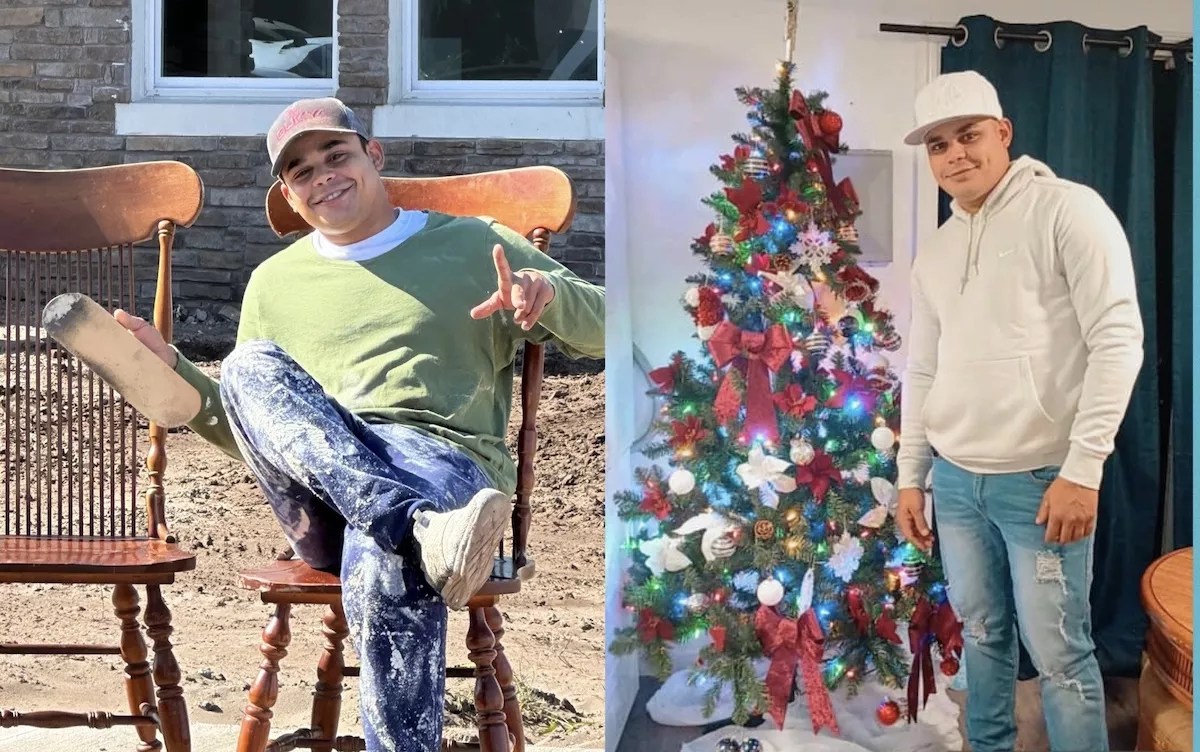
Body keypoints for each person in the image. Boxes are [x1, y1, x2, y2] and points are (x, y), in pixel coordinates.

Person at [115, 97, 605, 752]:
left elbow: (605, 327)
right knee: (248, 366)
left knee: (378, 549)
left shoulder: (469, 244)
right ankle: (415, 529)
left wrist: (550, 293)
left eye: (336, 155)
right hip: (332, 501)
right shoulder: (272, 283)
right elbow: (264, 437)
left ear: (373, 156)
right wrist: (175, 372)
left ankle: (407, 531)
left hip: (444, 467)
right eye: (301, 171)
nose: (323, 177)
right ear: (288, 194)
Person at [893, 71, 1143, 752]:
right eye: (938, 145)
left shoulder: (1069, 210)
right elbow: (922, 367)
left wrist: (1084, 467)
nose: (955, 155)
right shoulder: (938, 251)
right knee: (981, 635)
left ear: (1002, 134)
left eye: (968, 136)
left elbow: (1118, 339)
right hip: (955, 480)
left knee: (1061, 658)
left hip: (1042, 482)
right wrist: (912, 473)